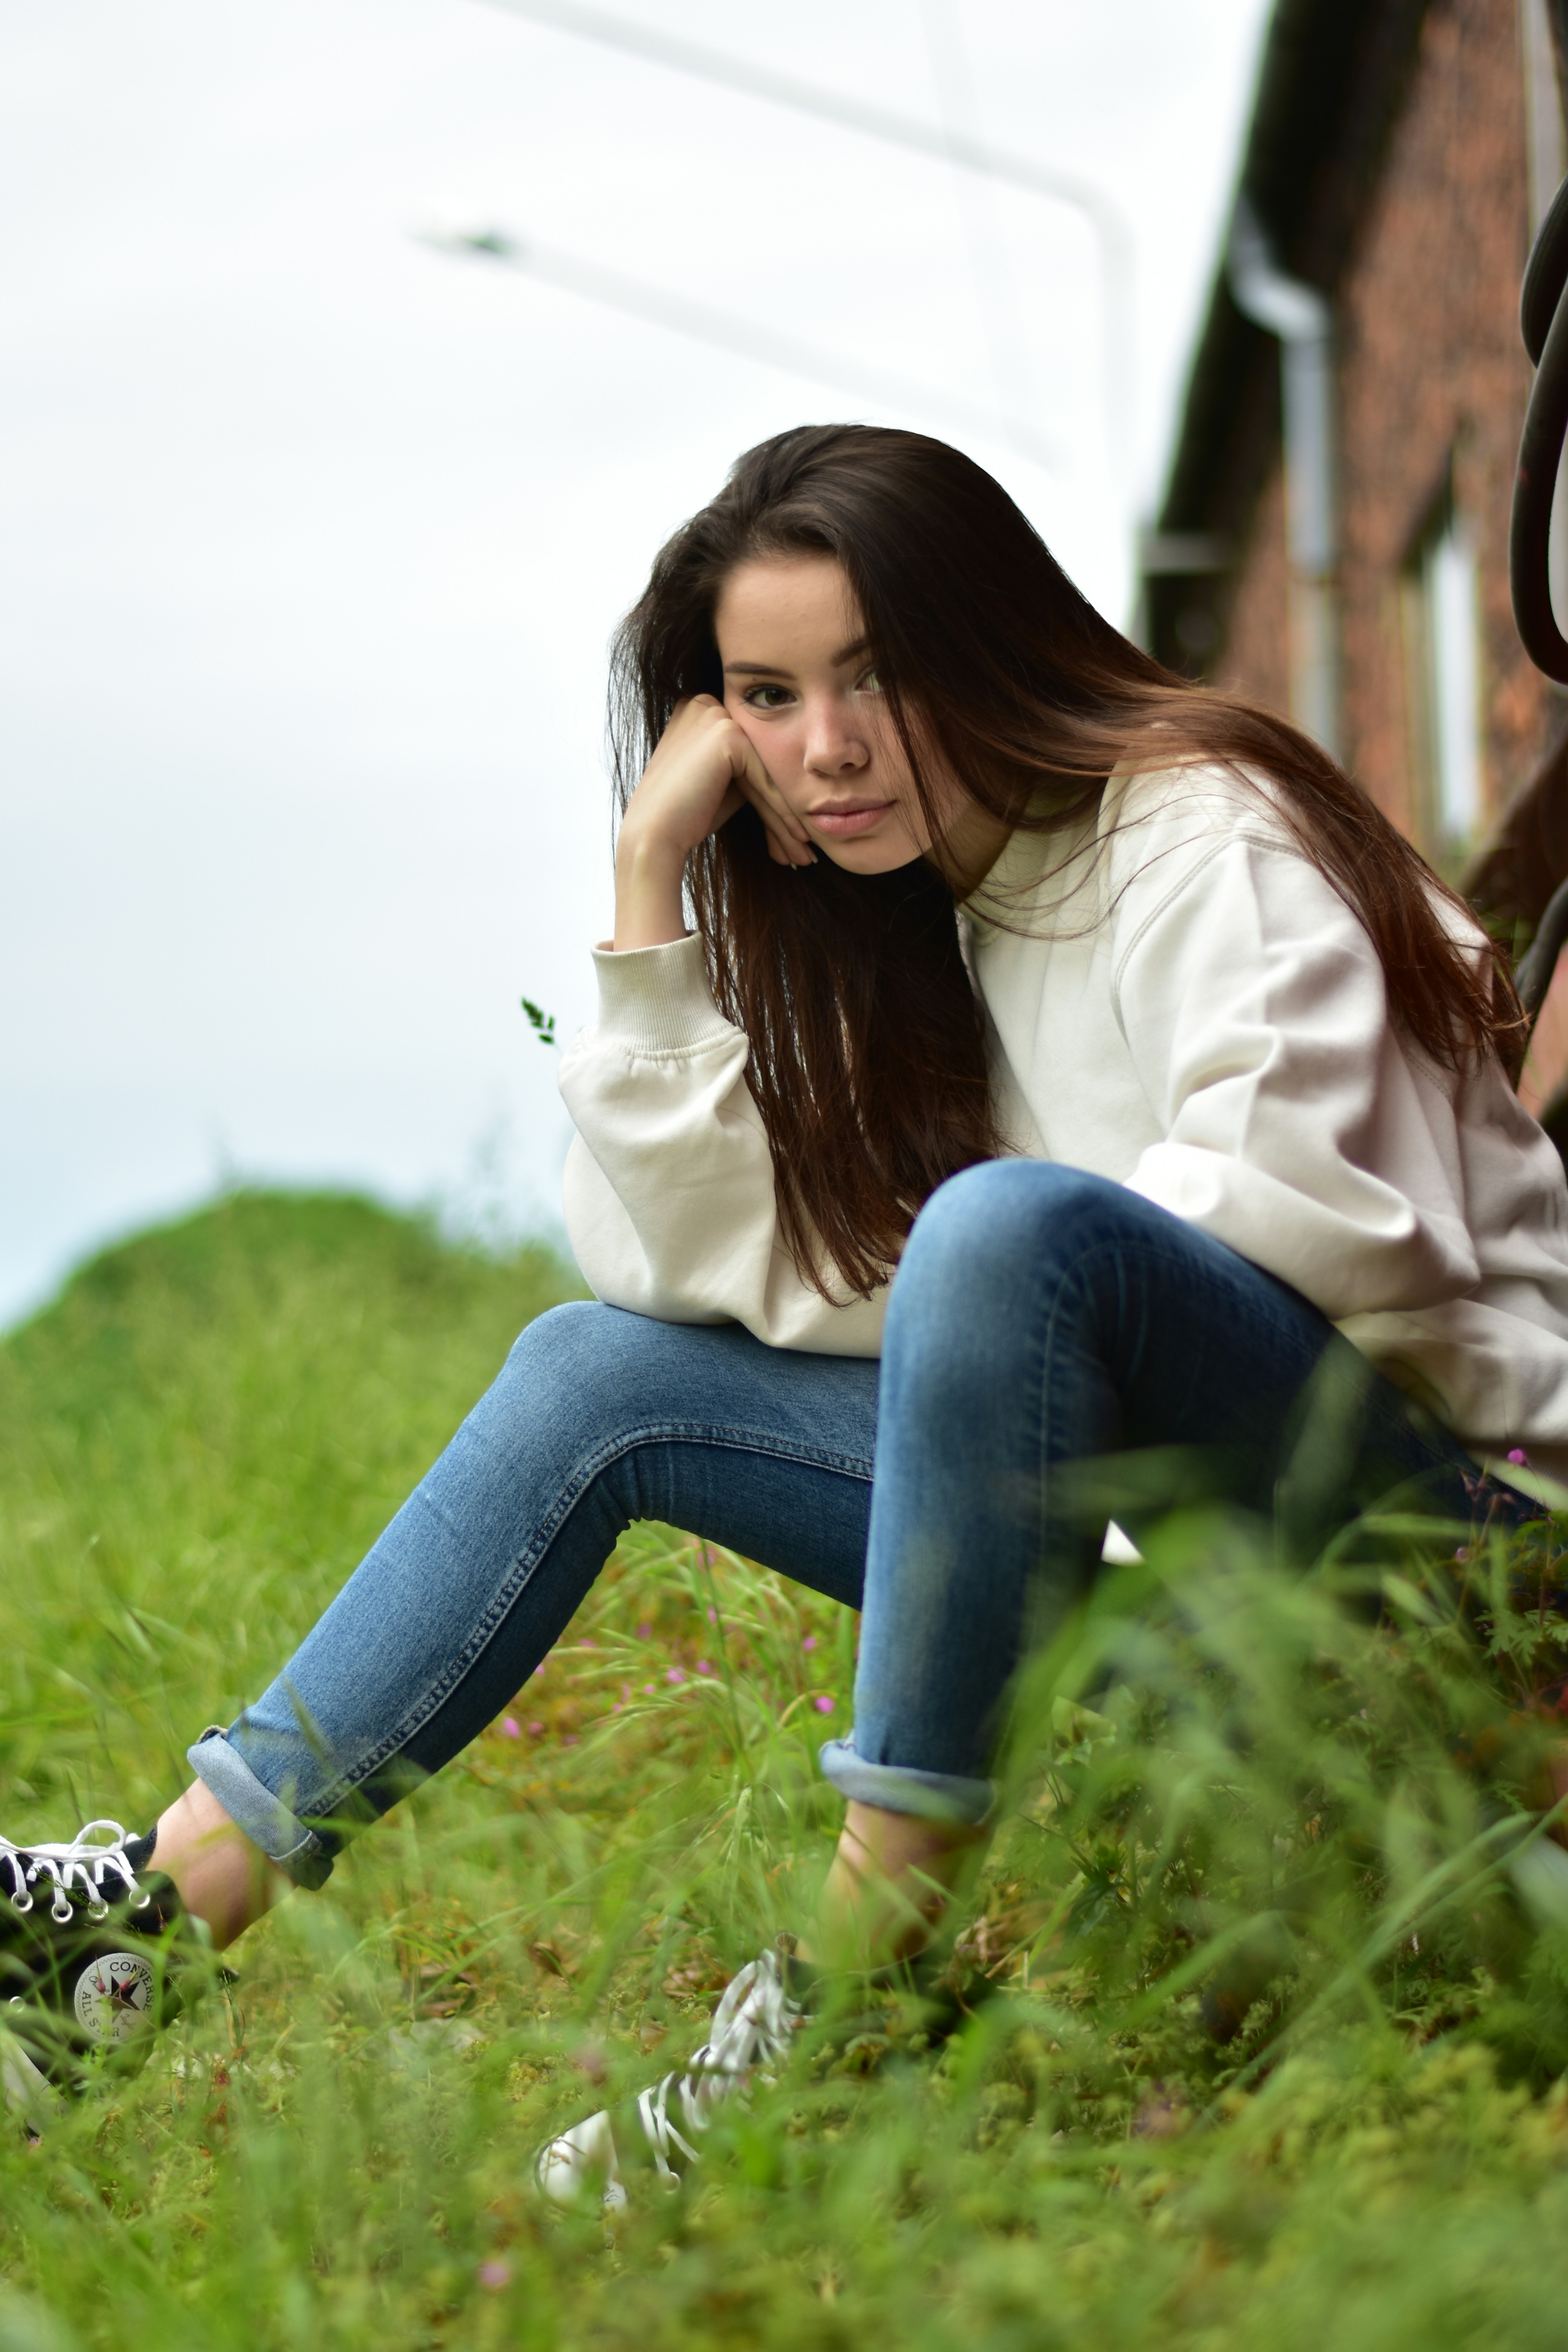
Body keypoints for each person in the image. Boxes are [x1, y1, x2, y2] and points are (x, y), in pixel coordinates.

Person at [7, 425, 1568, 2191]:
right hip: (1194, 1575)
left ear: (986, 641)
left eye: (874, 673)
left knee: (1001, 1236)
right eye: (765, 694)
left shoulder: (1199, 832)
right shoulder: (938, 930)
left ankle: (842, 2008)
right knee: (595, 1374)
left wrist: (1003, 1390)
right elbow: (684, 1276)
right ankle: (139, 1926)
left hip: (1460, 1549)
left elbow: (1326, 1240)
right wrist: (645, 892)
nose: (824, 748)